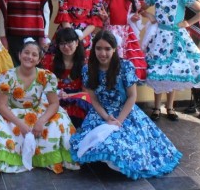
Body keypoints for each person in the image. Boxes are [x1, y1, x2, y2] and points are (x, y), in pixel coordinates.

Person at [69, 31, 182, 180]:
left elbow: (132, 96)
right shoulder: (87, 70)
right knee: (94, 143)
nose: (102, 53)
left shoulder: (125, 67)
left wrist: (118, 121)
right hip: (101, 113)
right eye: (99, 48)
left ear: (114, 49)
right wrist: (106, 118)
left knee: (123, 147)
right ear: (93, 48)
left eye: (107, 49)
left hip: (125, 113)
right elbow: (94, 100)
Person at [0, 38, 78, 174]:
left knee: (60, 119)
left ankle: (45, 158)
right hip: (11, 112)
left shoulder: (46, 76)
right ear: (19, 55)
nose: (29, 57)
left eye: (34, 55)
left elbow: (54, 103)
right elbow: (1, 105)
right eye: (26, 53)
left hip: (36, 111)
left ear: (39, 59)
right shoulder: (7, 76)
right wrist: (20, 125)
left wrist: (41, 121)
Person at [141, 0, 200, 121]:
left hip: (177, 38)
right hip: (160, 39)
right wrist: (149, 15)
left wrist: (187, 23)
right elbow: (139, 8)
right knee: (159, 72)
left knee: (174, 71)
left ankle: (170, 107)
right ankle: (156, 107)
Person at [102, 0, 148, 81]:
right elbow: (102, 15)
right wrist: (103, 17)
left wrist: (134, 18)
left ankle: (126, 87)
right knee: (111, 60)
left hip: (126, 32)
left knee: (127, 61)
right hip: (110, 32)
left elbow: (134, 13)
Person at [41, 28, 91, 128]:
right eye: (62, 43)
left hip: (77, 96)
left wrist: (68, 96)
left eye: (69, 42)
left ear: (77, 42)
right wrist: (58, 94)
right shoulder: (49, 61)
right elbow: (44, 85)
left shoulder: (85, 63)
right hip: (55, 95)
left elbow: (86, 91)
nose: (66, 47)